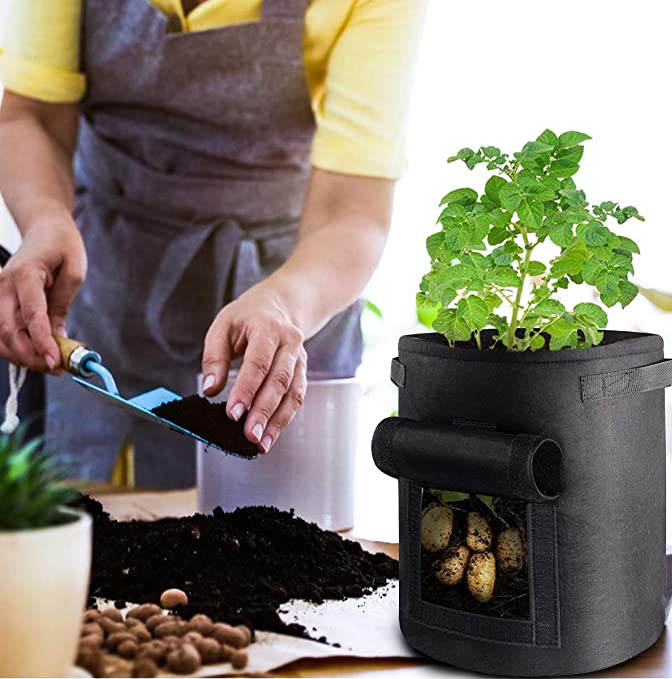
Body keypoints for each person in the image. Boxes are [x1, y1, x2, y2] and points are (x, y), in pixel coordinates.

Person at [0, 0, 426, 487]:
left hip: (290, 294)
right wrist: (45, 221)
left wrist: (286, 305)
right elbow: (31, 115)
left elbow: (352, 207)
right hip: (108, 284)